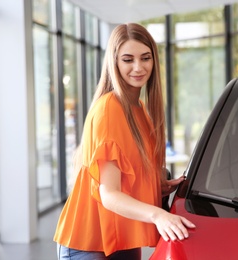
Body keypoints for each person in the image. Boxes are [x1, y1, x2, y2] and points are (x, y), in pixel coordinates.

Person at [53, 23, 195, 260]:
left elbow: (125, 176)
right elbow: (109, 194)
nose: (138, 67)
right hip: (88, 241)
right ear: (114, 62)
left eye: (145, 58)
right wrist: (158, 215)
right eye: (128, 59)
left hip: (122, 236)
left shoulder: (140, 110)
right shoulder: (109, 109)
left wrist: (157, 185)